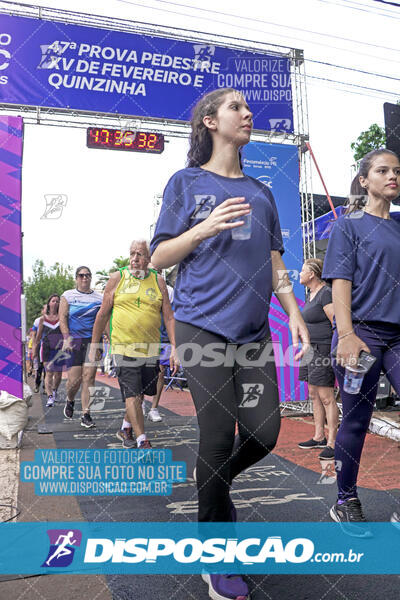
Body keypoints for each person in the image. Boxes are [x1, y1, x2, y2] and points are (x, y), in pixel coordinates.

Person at [150, 88, 309, 600]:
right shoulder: (185, 182)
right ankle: (215, 548)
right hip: (202, 328)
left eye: (247, 107)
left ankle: (213, 489)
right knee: (217, 438)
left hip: (253, 334)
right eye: (236, 107)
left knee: (263, 434)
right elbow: (159, 258)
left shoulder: (263, 193)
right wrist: (201, 229)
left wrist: (295, 313)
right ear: (210, 121)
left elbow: (278, 266)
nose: (248, 114)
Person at [323, 149, 400, 529]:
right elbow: (341, 284)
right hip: (364, 336)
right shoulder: (348, 227)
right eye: (383, 171)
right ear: (364, 181)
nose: (393, 177)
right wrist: (347, 334)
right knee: (356, 420)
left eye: (397, 172)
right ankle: (345, 499)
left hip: (398, 337)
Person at [90, 240, 179, 449]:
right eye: (132, 254)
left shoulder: (158, 282)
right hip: (123, 346)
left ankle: (125, 427)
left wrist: (175, 346)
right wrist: (95, 345)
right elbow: (103, 313)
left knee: (140, 393)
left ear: (148, 259)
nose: (135, 258)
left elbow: (169, 316)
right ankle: (142, 440)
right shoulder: (117, 278)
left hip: (149, 348)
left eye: (140, 254)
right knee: (131, 393)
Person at [298, 258, 338, 460]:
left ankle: (333, 443)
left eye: (303, 270)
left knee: (326, 397)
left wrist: (334, 350)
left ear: (312, 274)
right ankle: (318, 436)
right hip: (309, 350)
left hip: (322, 349)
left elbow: (335, 323)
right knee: (313, 393)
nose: (299, 274)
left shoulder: (326, 293)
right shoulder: (310, 294)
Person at [59, 266, 103, 428]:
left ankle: (86, 414)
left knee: (89, 377)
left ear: (91, 278)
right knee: (74, 381)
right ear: (76, 278)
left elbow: (103, 319)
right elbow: (62, 317)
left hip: (93, 340)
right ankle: (70, 400)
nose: (85, 278)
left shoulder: (99, 297)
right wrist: (65, 337)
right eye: (81, 275)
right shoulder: (68, 295)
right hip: (74, 340)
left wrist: (106, 338)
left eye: (87, 275)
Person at [33, 294, 65, 407]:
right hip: (46, 348)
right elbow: (37, 338)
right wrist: (35, 352)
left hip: (60, 348)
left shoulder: (62, 318)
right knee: (49, 372)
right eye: (53, 301)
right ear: (49, 303)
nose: (55, 303)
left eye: (57, 301)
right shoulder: (42, 319)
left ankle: (54, 390)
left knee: (58, 374)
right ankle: (50, 396)